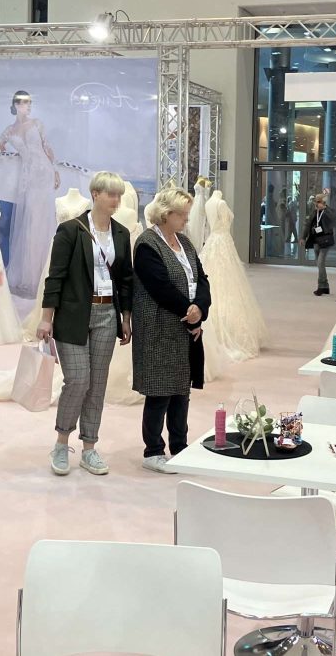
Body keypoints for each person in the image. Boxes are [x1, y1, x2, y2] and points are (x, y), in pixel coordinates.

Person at [36, 171, 134, 477]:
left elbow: (126, 279)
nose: (116, 200)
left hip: (107, 314)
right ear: (95, 195)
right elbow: (55, 277)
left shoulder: (121, 234)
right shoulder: (70, 230)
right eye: (111, 194)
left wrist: (126, 316)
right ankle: (61, 442)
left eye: (119, 195)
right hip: (73, 314)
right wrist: (46, 318)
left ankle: (90, 447)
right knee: (78, 379)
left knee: (98, 383)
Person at [132, 187, 211, 474]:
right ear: (166, 214)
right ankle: (153, 450)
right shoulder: (147, 244)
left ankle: (179, 446)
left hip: (184, 327)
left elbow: (201, 279)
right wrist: (189, 313)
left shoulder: (185, 242)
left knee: (180, 390)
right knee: (159, 391)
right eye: (182, 215)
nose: (186, 220)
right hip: (158, 328)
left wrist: (199, 307)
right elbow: (159, 287)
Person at [0, 90, 60, 297]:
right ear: (15, 105)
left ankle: (43, 273)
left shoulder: (37, 123)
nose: (27, 106)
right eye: (23, 103)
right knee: (30, 222)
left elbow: (47, 147)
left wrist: (55, 170)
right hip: (28, 177)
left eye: (29, 103)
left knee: (41, 220)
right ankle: (30, 274)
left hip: (44, 174)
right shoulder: (10, 130)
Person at [302, 191, 336, 296]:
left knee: (320, 263)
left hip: (325, 241)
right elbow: (307, 225)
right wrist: (303, 237)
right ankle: (325, 286)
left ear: (323, 202)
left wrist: (325, 209)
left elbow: (333, 220)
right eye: (316, 202)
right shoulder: (314, 212)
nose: (317, 204)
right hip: (316, 240)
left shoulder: (328, 212)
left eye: (319, 202)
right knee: (319, 264)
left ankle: (321, 286)